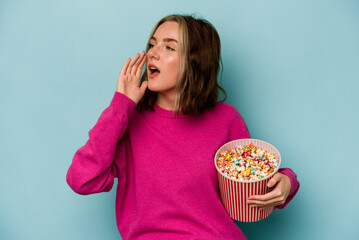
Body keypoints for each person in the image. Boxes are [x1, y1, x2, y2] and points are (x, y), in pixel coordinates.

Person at [66, 14, 300, 240]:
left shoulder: (226, 119)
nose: (152, 54)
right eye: (152, 44)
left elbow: (250, 180)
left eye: (169, 47)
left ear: (194, 61)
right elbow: (82, 180)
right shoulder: (128, 122)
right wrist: (120, 106)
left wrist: (287, 182)